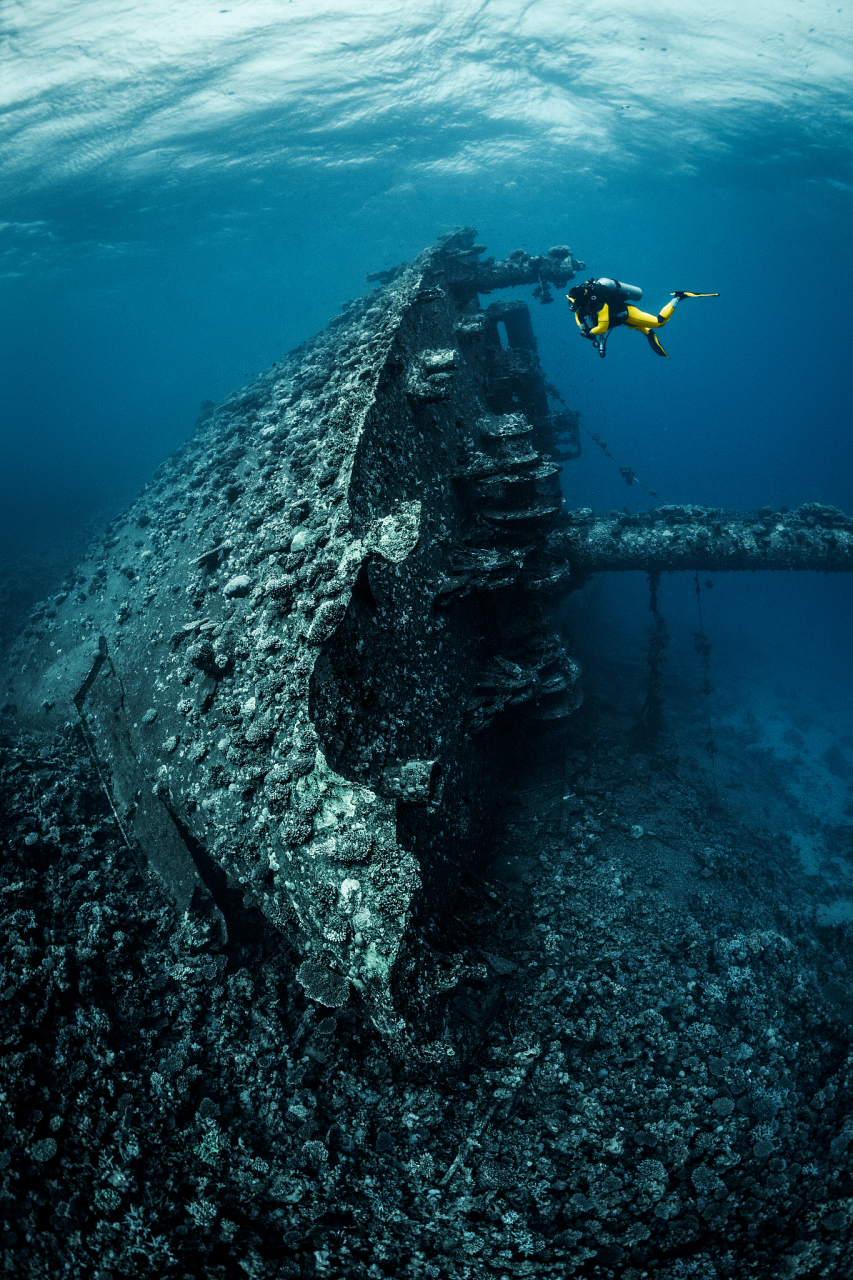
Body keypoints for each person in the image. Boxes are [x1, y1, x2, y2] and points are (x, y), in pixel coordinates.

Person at [566, 278, 719, 358]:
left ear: (582, 300)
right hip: (620, 318)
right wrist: (582, 327)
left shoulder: (598, 303)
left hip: (627, 313)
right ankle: (647, 332)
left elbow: (603, 327)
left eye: (575, 304)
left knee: (659, 322)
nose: (575, 307)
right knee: (634, 325)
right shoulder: (581, 304)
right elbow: (578, 315)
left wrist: (590, 333)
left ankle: (679, 296)